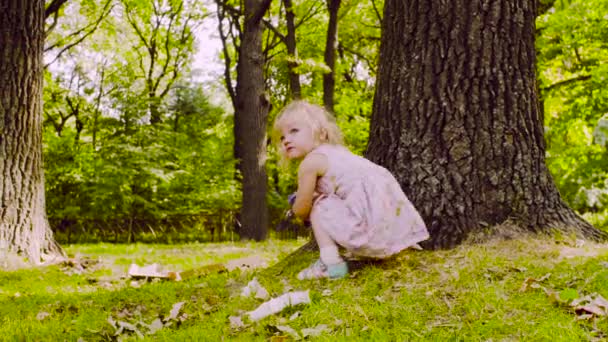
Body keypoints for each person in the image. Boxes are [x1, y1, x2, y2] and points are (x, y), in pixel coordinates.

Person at [272, 100, 430, 280]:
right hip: (393, 226)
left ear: (321, 133)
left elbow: (301, 210)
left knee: (319, 204)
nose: (286, 140)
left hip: (368, 229)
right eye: (282, 137)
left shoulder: (310, 163)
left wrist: (300, 204)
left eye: (294, 131)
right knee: (325, 199)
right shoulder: (340, 153)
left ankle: (330, 263)